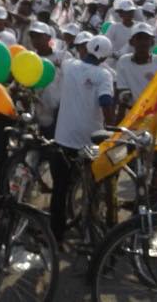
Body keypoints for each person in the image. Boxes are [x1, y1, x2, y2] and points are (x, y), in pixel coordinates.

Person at [50, 35, 116, 241]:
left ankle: (56, 235)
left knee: (59, 189)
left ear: (86, 49)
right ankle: (89, 234)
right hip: (89, 142)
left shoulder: (70, 66)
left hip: (62, 138)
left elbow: (58, 59)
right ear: (105, 58)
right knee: (92, 190)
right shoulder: (104, 75)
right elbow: (106, 102)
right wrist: (112, 130)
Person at [114, 23, 157, 104]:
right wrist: (125, 96)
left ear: (152, 42)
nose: (143, 42)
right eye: (139, 38)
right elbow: (122, 88)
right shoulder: (124, 61)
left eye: (146, 38)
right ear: (131, 42)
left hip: (156, 113)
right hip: (133, 113)